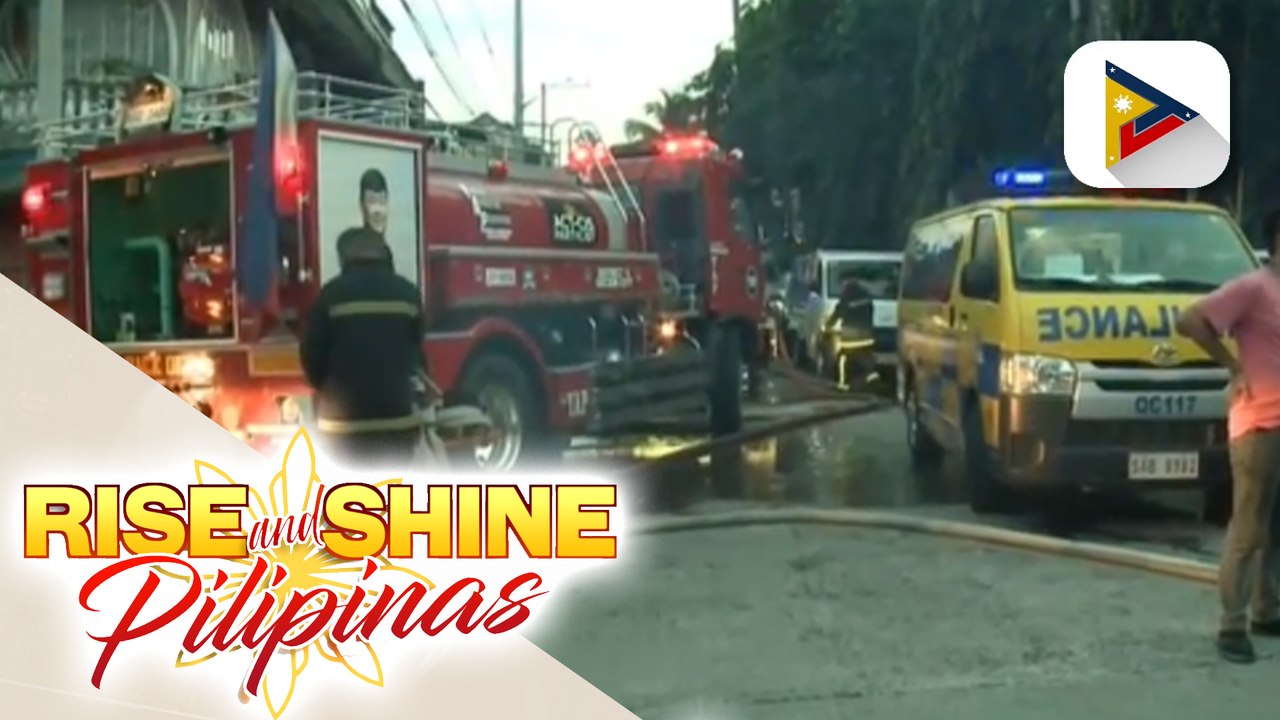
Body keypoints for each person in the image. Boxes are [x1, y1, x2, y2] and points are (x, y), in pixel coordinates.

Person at [1176, 208, 1280, 664]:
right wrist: (1233, 366)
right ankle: (1231, 626)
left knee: (1275, 528)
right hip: (1258, 424)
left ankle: (1267, 609)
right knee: (1249, 526)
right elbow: (1190, 319)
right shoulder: (1254, 288)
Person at [301, 227, 426, 468]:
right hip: (398, 422)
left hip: (342, 429)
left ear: (344, 257)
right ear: (384, 253)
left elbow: (312, 358)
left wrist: (330, 391)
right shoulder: (408, 294)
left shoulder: (331, 295)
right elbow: (416, 356)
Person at [824, 271, 877, 386]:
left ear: (845, 282)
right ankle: (872, 377)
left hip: (851, 336)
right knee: (866, 356)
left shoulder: (846, 295)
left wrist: (826, 326)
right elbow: (871, 312)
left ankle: (843, 383)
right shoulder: (866, 295)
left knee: (843, 357)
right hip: (867, 334)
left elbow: (838, 313)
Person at [336, 168, 390, 264]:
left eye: (382, 201)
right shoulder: (350, 250)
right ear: (361, 205)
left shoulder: (387, 253)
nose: (377, 211)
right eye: (371, 201)